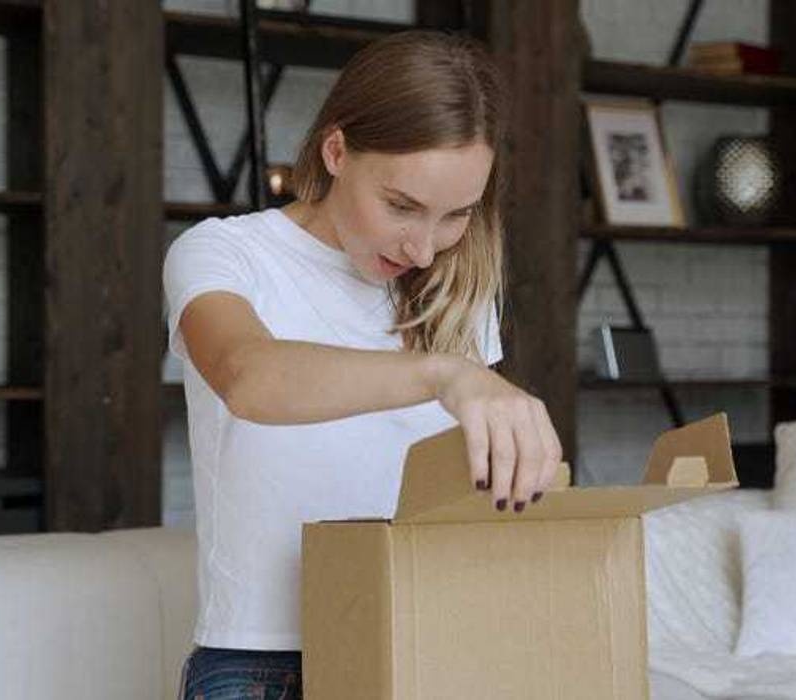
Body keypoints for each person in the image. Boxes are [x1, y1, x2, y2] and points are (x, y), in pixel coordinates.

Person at [164, 29, 563, 699]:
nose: (424, 248)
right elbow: (247, 375)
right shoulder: (226, 255)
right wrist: (445, 374)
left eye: (454, 215)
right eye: (401, 206)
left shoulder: (455, 289)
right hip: (263, 665)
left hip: (427, 640)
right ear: (336, 150)